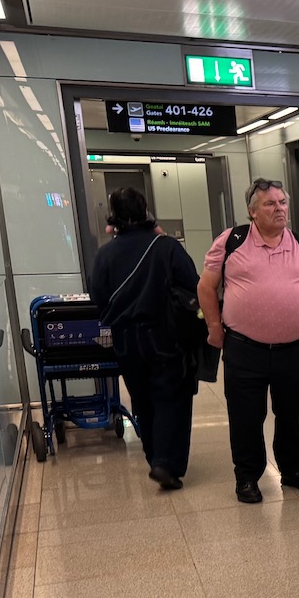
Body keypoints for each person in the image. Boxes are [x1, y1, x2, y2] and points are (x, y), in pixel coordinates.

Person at [198, 178, 299, 504]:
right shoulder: (231, 241)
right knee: (246, 416)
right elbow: (206, 287)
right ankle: (247, 477)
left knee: (290, 414)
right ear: (252, 211)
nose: (279, 209)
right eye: (270, 204)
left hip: (292, 348)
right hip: (245, 348)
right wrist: (214, 327)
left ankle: (293, 470)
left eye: (283, 202)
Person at [88, 187, 200, 490]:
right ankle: (166, 463)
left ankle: (154, 457)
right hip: (164, 335)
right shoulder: (165, 247)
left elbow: (97, 296)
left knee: (143, 398)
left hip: (125, 340)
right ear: (146, 210)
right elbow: (194, 285)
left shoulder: (105, 254)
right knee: (171, 396)